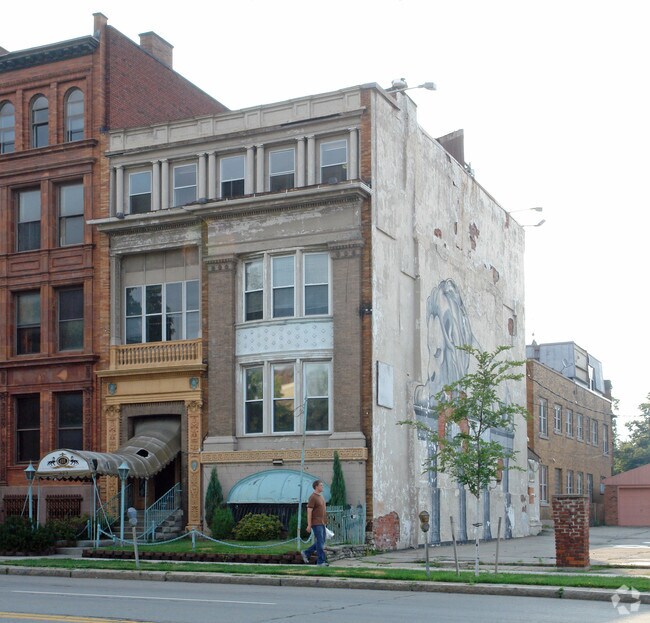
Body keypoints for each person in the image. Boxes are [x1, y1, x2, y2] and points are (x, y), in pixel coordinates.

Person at [301, 479, 328, 566]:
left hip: (322, 522)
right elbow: (309, 511)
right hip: (316, 523)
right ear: (316, 487)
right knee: (320, 542)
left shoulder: (321, 496)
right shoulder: (312, 497)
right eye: (321, 485)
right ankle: (321, 562)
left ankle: (306, 552)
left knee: (321, 541)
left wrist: (325, 522)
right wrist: (309, 525)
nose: (322, 487)